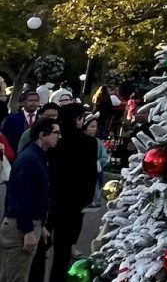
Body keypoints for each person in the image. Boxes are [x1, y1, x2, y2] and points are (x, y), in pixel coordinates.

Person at [0, 118, 58, 282]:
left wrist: (41, 224)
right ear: (42, 135)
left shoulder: (37, 156)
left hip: (28, 224)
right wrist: (28, 231)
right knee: (15, 277)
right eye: (55, 133)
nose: (58, 137)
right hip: (20, 227)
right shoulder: (29, 159)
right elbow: (21, 197)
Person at [44, 104, 95, 282]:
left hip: (51, 200)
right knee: (63, 250)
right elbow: (90, 175)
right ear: (77, 119)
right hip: (72, 205)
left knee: (42, 245)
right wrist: (85, 201)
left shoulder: (56, 139)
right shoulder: (88, 143)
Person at [80, 114, 107, 207]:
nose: (94, 129)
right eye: (92, 127)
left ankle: (95, 200)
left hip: (95, 171)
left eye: (96, 127)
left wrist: (98, 162)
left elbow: (104, 157)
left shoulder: (98, 142)